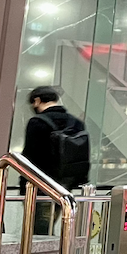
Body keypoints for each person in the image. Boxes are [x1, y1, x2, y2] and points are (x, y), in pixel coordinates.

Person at [21, 86, 90, 234]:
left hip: (41, 186)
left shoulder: (37, 122)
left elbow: (29, 157)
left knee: (37, 231)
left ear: (37, 101)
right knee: (50, 226)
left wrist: (23, 186)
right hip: (65, 186)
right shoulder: (76, 123)